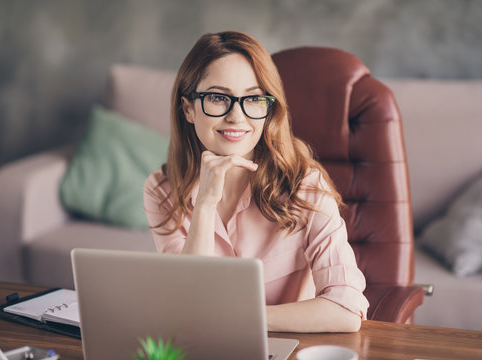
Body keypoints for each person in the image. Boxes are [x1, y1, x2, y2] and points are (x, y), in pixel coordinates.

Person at [143, 31, 369, 333]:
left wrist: (243, 319)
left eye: (253, 98)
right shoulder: (162, 189)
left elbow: (347, 309)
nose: (237, 116)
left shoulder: (305, 185)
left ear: (268, 108)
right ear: (188, 109)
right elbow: (189, 306)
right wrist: (206, 204)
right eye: (218, 97)